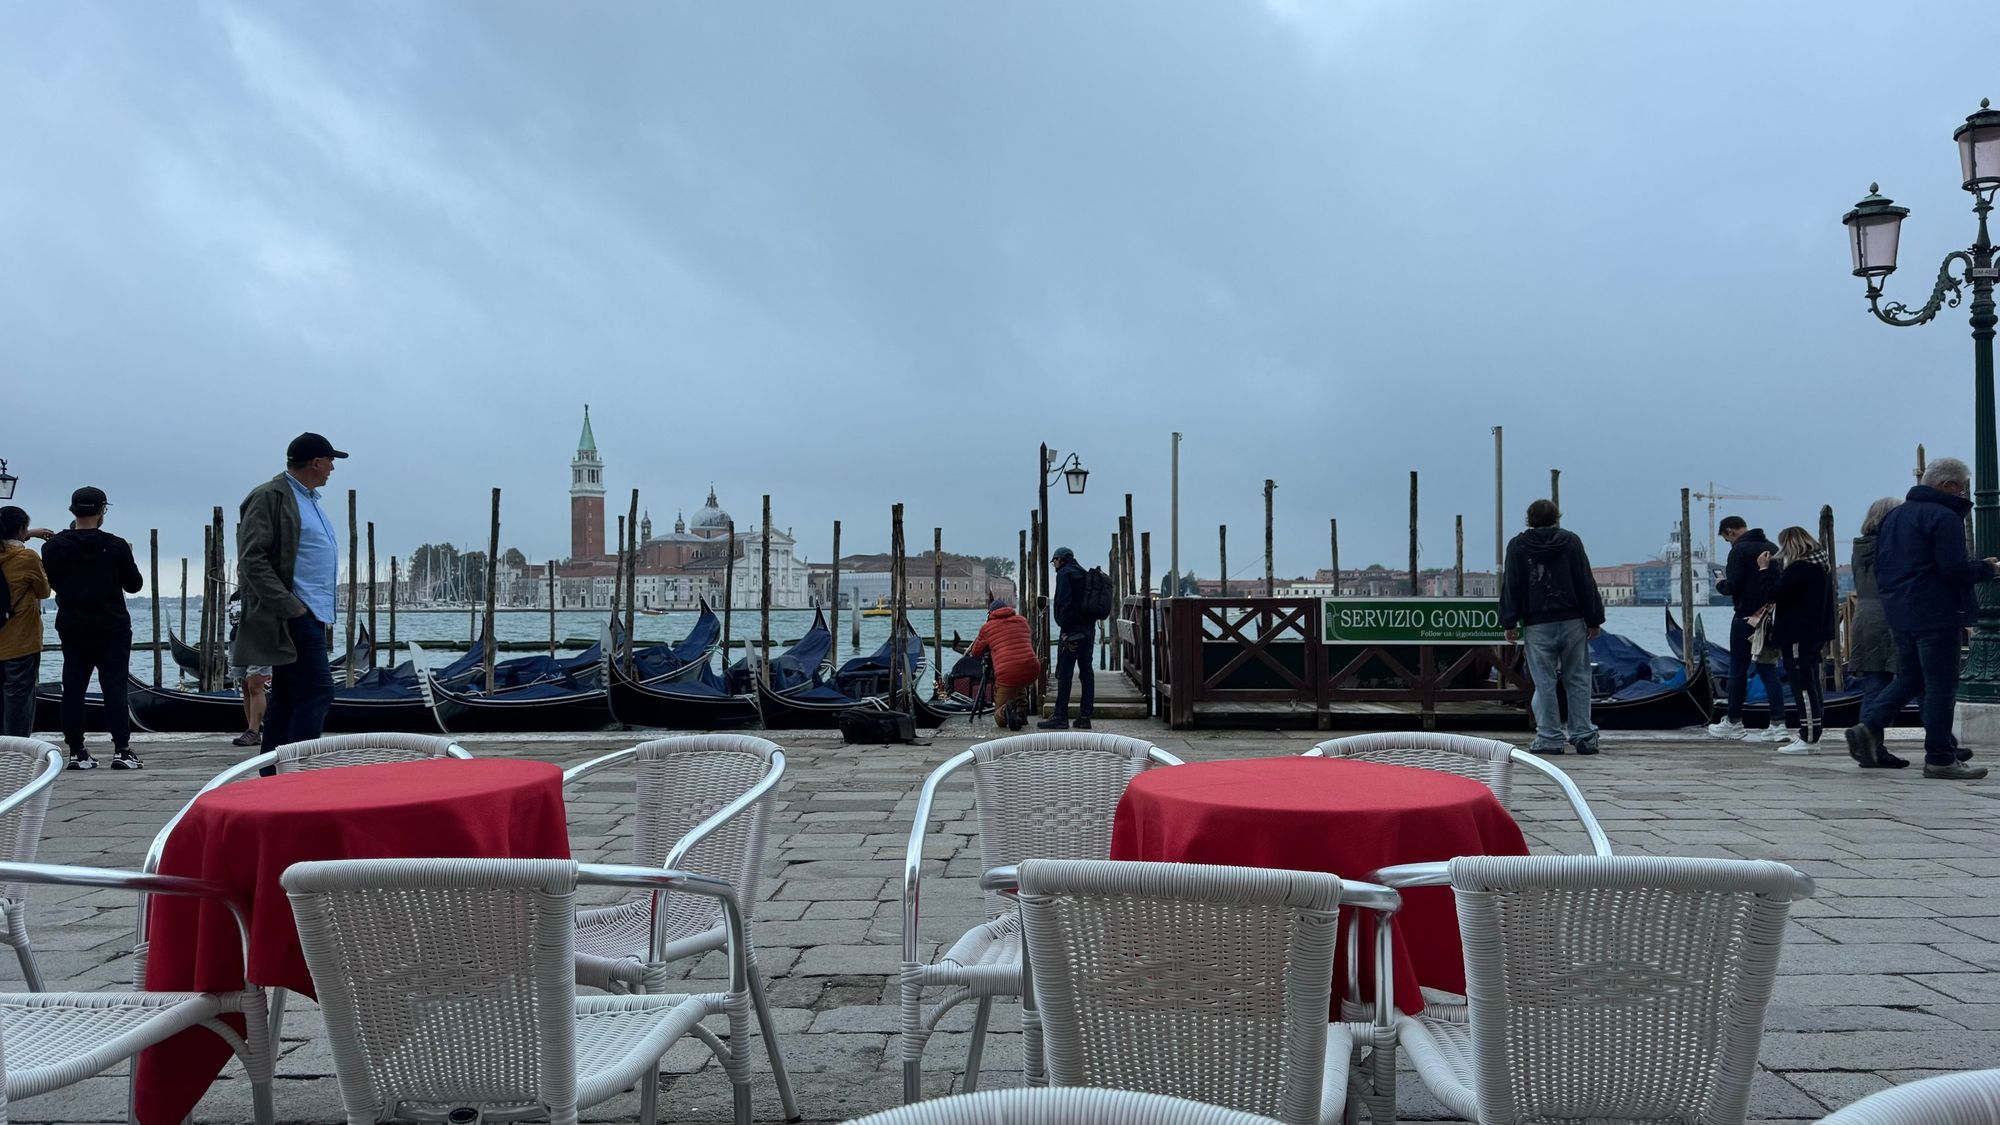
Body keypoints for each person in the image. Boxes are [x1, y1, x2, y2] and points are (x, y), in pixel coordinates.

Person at [1846, 457, 1999, 779]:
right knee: (1942, 686)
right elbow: (1952, 569)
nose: (1962, 495)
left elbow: (1885, 568)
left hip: (1900, 612)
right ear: (1948, 485)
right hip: (1938, 612)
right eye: (1961, 488)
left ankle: (1870, 724)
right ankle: (1940, 758)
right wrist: (1987, 568)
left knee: (1911, 678)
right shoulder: (1945, 517)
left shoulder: (1894, 517)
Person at [236, 433, 346, 770]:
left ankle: (273, 773)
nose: (332, 469)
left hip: (312, 612)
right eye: (330, 461)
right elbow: (252, 558)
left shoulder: (308, 499)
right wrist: (290, 606)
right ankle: (298, 773)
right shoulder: (271, 497)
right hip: (293, 613)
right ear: (315, 462)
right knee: (318, 691)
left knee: (286, 696)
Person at [41, 487, 144, 769]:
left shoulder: (52, 547)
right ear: (102, 512)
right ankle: (122, 749)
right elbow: (134, 585)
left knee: (73, 687)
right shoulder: (116, 545)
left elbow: (54, 584)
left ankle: (77, 750)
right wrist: (128, 557)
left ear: (72, 510)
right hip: (112, 625)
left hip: (73, 624)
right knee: (114, 685)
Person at [1498, 499, 1606, 755]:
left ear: (1529, 519)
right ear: (1557, 517)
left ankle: (1549, 737)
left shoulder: (1517, 545)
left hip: (1537, 622)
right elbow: (1585, 580)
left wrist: (1509, 622)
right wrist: (1594, 619)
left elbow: (1511, 585)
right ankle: (1583, 735)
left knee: (1543, 681)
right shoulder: (1571, 541)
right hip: (1571, 619)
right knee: (1578, 678)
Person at [1707, 517, 1789, 742]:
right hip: (1770, 619)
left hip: (1745, 618)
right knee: (1768, 670)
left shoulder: (1738, 551)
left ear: (1731, 531)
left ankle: (1734, 722)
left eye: (1726, 538)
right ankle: (1778, 724)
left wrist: (1720, 584)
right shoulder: (1773, 548)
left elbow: (1733, 586)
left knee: (1738, 671)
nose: (1728, 542)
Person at [1757, 527, 1836, 755]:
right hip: (1813, 633)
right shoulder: (1822, 567)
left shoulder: (1799, 569)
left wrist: (1763, 570)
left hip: (1796, 634)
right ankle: (1811, 733)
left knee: (1802, 684)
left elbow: (1773, 594)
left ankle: (1809, 737)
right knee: (1810, 682)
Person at [1848, 497, 1903, 733]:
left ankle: (1870, 743)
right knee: (1915, 680)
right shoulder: (1894, 547)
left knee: (1874, 684)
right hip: (1891, 616)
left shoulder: (1860, 548)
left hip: (1864, 617)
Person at [0, 507, 54, 738]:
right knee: (19, 697)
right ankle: (16, 748)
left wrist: (28, 532)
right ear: (21, 529)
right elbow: (44, 591)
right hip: (21, 638)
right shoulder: (27, 557)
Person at [1038, 545, 1093, 730]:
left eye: (1054, 561)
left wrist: (1065, 632)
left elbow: (1064, 603)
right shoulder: (1084, 574)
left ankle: (1060, 716)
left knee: (1064, 674)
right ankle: (1085, 717)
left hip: (1072, 633)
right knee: (1086, 673)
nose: (1054, 565)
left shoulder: (1064, 574)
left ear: (1060, 560)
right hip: (1088, 631)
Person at [966, 595, 1040, 730]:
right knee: (1019, 683)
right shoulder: (1022, 621)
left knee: (999, 718)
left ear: (991, 613)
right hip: (1032, 668)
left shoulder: (987, 628)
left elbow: (976, 652)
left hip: (1008, 672)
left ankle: (1006, 710)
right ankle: (1020, 713)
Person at [224, 592, 270, 748]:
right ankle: (251, 729)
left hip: (259, 640)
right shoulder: (235, 596)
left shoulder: (262, 591)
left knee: (255, 685)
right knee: (245, 686)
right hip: (237, 641)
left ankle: (254, 730)